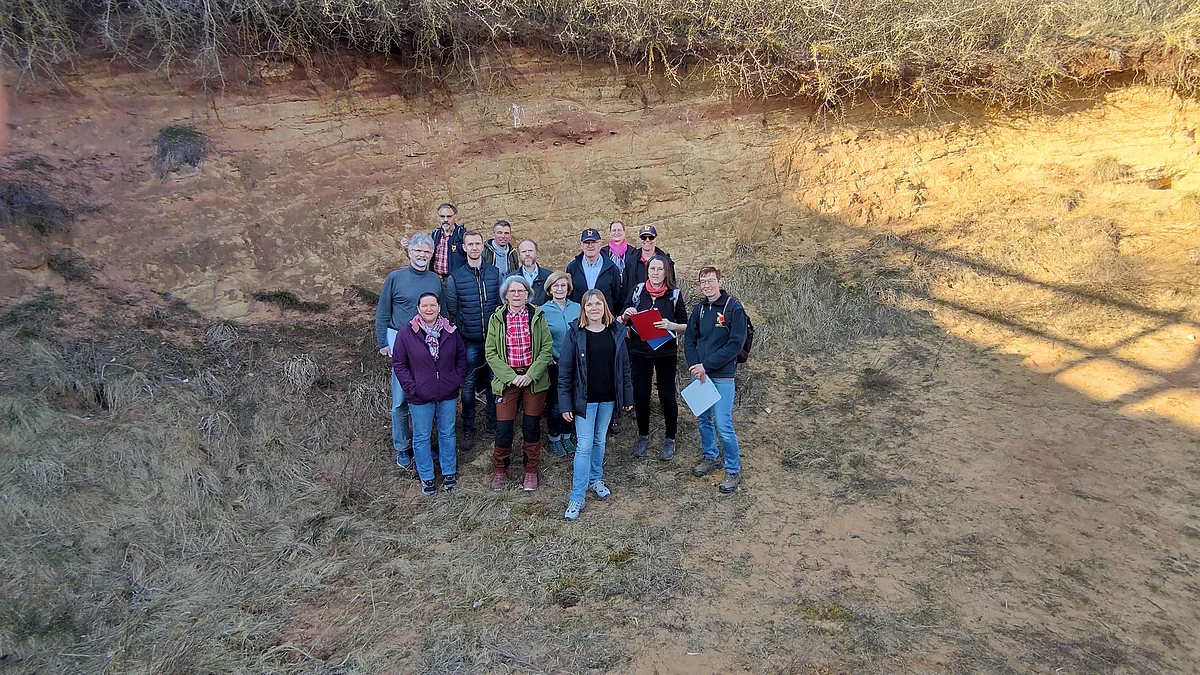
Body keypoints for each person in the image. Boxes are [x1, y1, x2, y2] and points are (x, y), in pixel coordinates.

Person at [558, 290, 634, 520]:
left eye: (598, 304)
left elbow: (624, 368)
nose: (594, 308)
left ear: (605, 307)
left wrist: (627, 396)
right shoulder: (575, 334)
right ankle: (577, 497)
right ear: (583, 308)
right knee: (584, 445)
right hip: (584, 400)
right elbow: (565, 372)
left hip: (608, 398)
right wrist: (565, 404)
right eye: (589, 304)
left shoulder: (616, 332)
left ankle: (596, 479)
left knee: (600, 439)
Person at [375, 233, 443, 469]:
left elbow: (439, 314)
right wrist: (382, 342)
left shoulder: (435, 280)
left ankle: (424, 443)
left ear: (431, 254)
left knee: (429, 396)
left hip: (429, 345)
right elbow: (383, 311)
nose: (422, 255)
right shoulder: (396, 277)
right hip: (400, 344)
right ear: (409, 253)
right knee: (401, 399)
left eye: (426, 252)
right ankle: (403, 446)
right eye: (418, 251)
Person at [392, 293, 467, 495]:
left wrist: (457, 380)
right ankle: (427, 477)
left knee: (447, 434)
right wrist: (411, 387)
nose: (429, 309)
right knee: (421, 437)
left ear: (439, 308)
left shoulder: (450, 331)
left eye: (432, 305)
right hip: (419, 396)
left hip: (447, 393)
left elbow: (461, 357)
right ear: (418, 309)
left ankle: (449, 473)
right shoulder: (406, 334)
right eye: (424, 305)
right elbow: (399, 364)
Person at [684, 266, 749, 493]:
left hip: (722, 375)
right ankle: (711, 456)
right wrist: (695, 366)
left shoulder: (733, 308)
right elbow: (690, 340)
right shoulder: (699, 309)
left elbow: (735, 344)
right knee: (703, 419)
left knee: (723, 423)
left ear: (719, 281)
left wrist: (706, 365)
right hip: (700, 375)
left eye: (711, 280)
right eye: (703, 281)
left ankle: (733, 469)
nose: (707, 285)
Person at [485, 276, 554, 491]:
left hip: (533, 379)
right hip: (507, 381)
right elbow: (491, 352)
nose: (516, 294)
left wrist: (530, 374)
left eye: (521, 291)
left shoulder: (537, 315)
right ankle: (500, 470)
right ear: (506, 294)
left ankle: (531, 471)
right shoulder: (497, 318)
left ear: (527, 293)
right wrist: (511, 377)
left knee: (531, 426)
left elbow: (546, 348)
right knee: (504, 428)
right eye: (512, 291)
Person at [619, 255, 688, 461]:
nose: (655, 273)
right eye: (652, 269)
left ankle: (670, 438)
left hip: (666, 352)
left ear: (666, 272)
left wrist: (671, 325)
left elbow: (686, 326)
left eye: (659, 269)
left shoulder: (674, 295)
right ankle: (643, 435)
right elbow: (622, 318)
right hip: (640, 351)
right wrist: (626, 315)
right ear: (647, 271)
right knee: (641, 394)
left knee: (667, 395)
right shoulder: (638, 291)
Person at [444, 230, 501, 446]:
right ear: (464, 248)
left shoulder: (495, 274)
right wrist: (464, 328)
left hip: (493, 341)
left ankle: (493, 423)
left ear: (483, 248)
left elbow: (499, 304)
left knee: (493, 383)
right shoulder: (456, 277)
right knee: (468, 387)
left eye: (478, 244)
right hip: (469, 341)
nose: (475, 248)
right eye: (471, 244)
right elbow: (452, 308)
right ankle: (468, 427)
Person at [540, 272, 581, 457]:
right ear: (549, 289)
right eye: (555, 286)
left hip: (577, 364)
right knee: (556, 404)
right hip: (555, 364)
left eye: (563, 285)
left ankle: (567, 434)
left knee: (573, 400)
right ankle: (554, 437)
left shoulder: (578, 308)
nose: (559, 289)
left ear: (568, 288)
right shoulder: (542, 311)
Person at [566, 228, 623, 314]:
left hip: (604, 318)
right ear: (581, 245)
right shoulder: (572, 267)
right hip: (579, 317)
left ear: (600, 244)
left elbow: (616, 296)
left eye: (594, 242)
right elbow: (569, 294)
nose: (590, 246)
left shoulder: (611, 268)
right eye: (586, 243)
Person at [622, 225, 676, 302]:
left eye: (651, 237)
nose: (647, 240)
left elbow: (671, 286)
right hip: (636, 306)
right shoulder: (630, 262)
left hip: (661, 304)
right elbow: (625, 290)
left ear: (656, 239)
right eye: (643, 237)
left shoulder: (667, 262)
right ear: (639, 240)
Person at [430, 203, 468, 279]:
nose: (445, 220)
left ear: (455, 217)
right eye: (442, 216)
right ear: (438, 217)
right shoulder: (435, 235)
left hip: (457, 280)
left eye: (449, 216)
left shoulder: (462, 235)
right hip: (437, 279)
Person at [513, 239, 552, 305]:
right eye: (524, 252)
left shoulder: (549, 277)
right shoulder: (512, 279)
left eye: (530, 251)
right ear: (519, 255)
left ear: (536, 253)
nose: (527, 254)